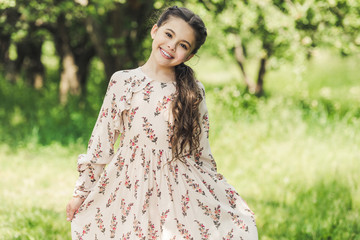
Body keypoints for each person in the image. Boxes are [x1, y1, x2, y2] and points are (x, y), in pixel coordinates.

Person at [66, 6, 258, 239]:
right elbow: (101, 143)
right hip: (130, 187)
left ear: (189, 56)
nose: (171, 46)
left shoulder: (193, 91)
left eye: (183, 45)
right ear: (155, 31)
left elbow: (201, 153)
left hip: (177, 190)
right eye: (168, 35)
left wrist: (224, 196)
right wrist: (82, 191)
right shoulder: (124, 82)